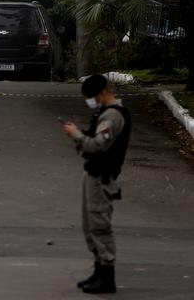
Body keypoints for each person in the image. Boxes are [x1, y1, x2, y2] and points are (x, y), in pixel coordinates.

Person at [61, 74, 132, 294]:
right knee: (90, 225)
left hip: (103, 176)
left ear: (102, 92)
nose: (89, 101)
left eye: (91, 97)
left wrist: (76, 135)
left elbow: (97, 146)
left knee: (100, 226)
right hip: (93, 173)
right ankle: (99, 270)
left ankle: (107, 275)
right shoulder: (104, 112)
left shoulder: (112, 116)